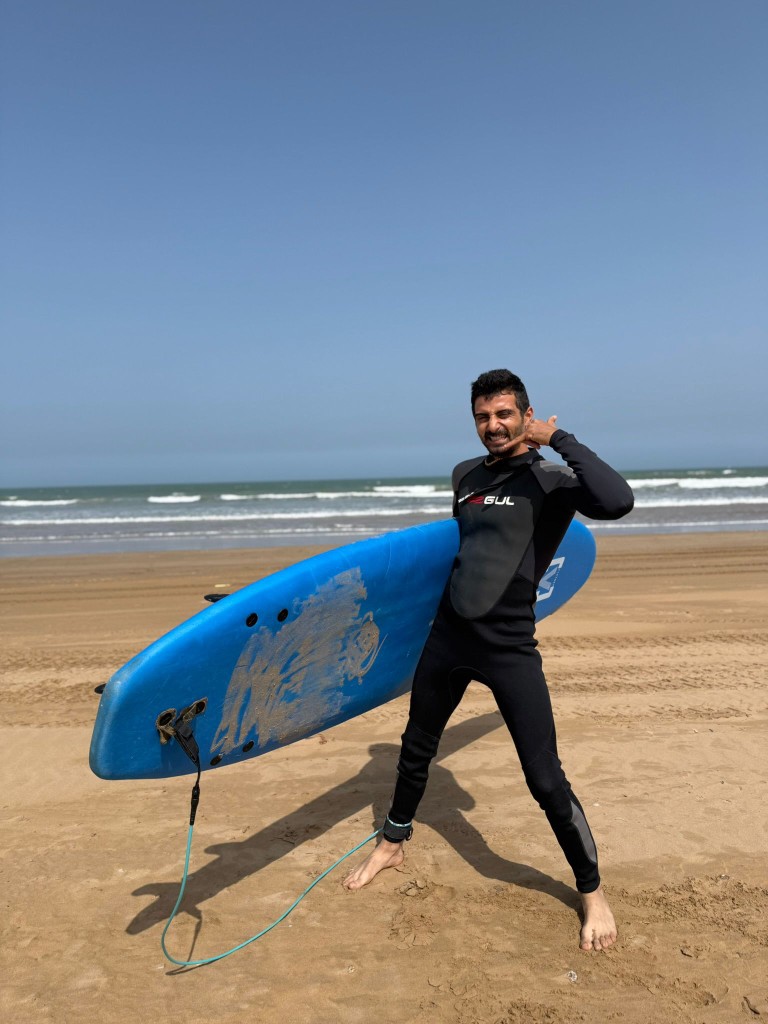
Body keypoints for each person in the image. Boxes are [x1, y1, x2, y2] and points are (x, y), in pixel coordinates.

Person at [343, 369, 634, 952]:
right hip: (449, 636)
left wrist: (558, 438)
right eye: (483, 416)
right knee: (416, 747)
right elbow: (468, 550)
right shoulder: (464, 477)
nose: (492, 426)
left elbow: (618, 500)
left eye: (504, 414)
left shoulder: (553, 480)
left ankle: (592, 891)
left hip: (508, 646)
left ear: (525, 416)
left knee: (544, 777)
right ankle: (392, 844)